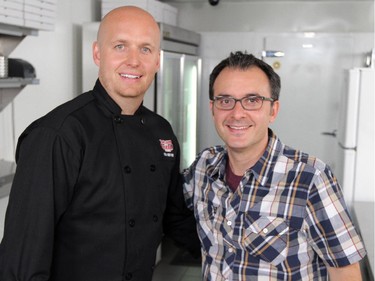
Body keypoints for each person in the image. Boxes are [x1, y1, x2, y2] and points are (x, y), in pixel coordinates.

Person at [0, 6, 199, 281]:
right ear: (97, 53)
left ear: (157, 61)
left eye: (145, 49)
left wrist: (235, 254)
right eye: (120, 46)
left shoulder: (160, 132)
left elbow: (175, 217)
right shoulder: (58, 135)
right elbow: (23, 259)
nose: (133, 61)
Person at [183, 51, 366, 280]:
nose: (237, 113)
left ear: (273, 110)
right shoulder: (202, 168)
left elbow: (345, 271)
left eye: (252, 100)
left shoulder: (310, 178)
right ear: (213, 109)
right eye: (225, 101)